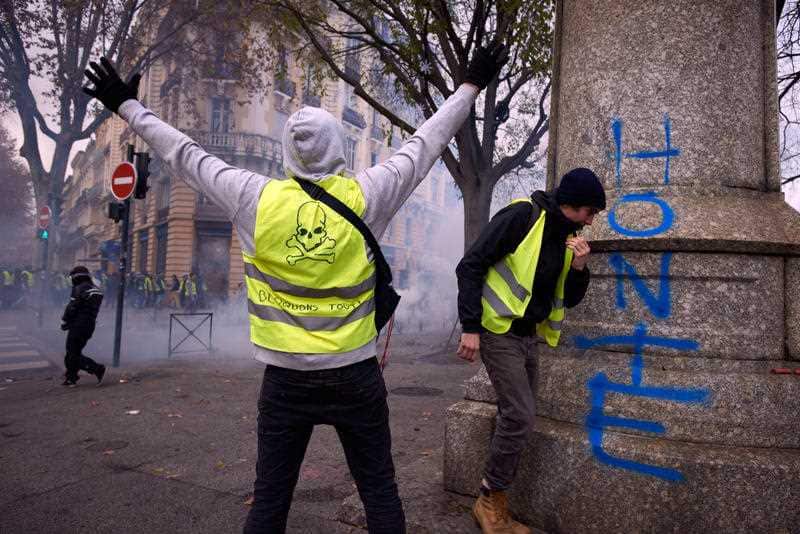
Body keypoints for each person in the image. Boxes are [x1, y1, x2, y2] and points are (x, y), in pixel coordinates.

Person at [83, 45, 507, 533]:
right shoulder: (368, 194)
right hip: (355, 376)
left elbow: (185, 154)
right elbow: (426, 143)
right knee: (380, 494)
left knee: (269, 504)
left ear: (288, 153)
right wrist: (470, 85)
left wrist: (127, 105)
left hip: (284, 382)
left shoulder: (253, 199)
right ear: (338, 150)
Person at [455, 168, 606, 534]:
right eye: (590, 212)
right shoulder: (522, 216)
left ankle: (497, 502)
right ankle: (489, 501)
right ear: (571, 204)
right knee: (520, 416)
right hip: (498, 331)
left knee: (519, 417)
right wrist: (471, 327)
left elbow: (568, 298)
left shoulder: (566, 237)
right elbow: (470, 265)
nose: (591, 221)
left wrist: (581, 267)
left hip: (528, 337)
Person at [60, 265, 106, 387]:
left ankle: (97, 368)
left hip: (78, 325)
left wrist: (64, 321)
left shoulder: (79, 288)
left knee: (72, 354)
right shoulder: (95, 289)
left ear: (77, 277)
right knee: (74, 352)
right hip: (89, 325)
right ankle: (71, 378)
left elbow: (72, 307)